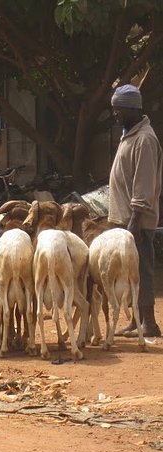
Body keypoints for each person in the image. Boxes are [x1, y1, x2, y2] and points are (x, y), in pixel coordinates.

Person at [108, 84, 162, 338]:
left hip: (136, 220)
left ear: (131, 109)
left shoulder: (145, 139)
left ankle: (149, 324)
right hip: (125, 218)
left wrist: (135, 219)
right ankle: (135, 321)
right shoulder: (130, 134)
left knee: (142, 271)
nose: (115, 115)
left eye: (118, 110)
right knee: (130, 272)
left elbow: (144, 181)